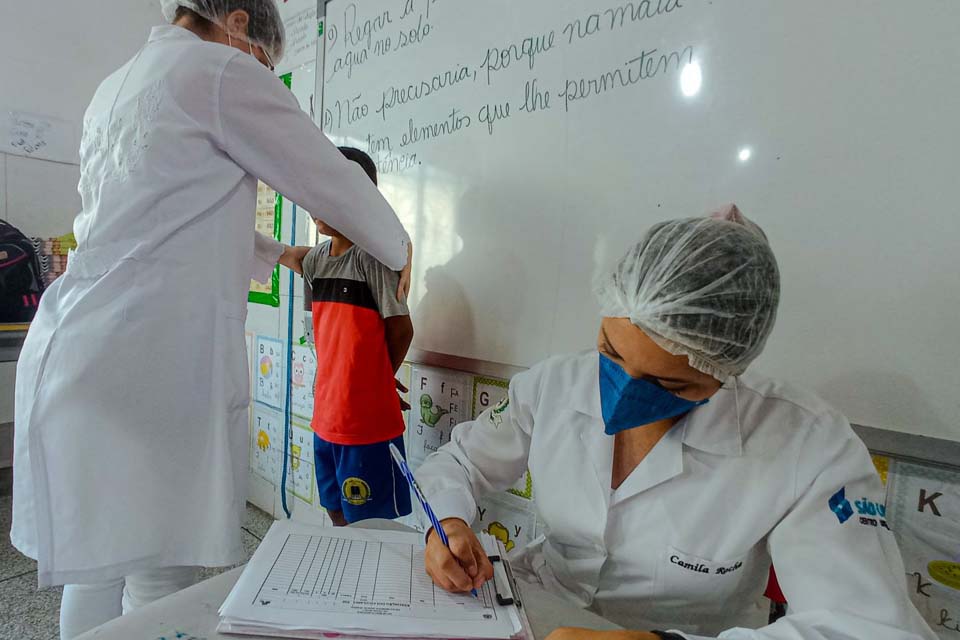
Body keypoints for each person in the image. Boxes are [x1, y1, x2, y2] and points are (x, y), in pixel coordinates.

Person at [10, 2, 411, 638]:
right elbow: (328, 176)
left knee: (104, 563)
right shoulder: (219, 70)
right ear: (240, 22)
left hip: (82, 343)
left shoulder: (115, 86)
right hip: (145, 358)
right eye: (266, 59)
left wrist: (282, 253)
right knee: (157, 559)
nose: (261, 71)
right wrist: (398, 247)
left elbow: (162, 216)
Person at [415, 207, 934, 640]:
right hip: (531, 607)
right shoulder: (556, 384)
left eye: (669, 385)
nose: (621, 395)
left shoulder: (806, 445)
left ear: (729, 368)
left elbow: (869, 627)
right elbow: (461, 462)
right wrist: (450, 523)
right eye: (610, 354)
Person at [304, 147, 415, 527]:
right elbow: (286, 255)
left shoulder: (375, 258)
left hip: (366, 426)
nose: (317, 201)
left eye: (329, 191)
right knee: (334, 509)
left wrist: (376, 379)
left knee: (369, 524)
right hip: (325, 418)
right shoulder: (316, 260)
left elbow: (402, 329)